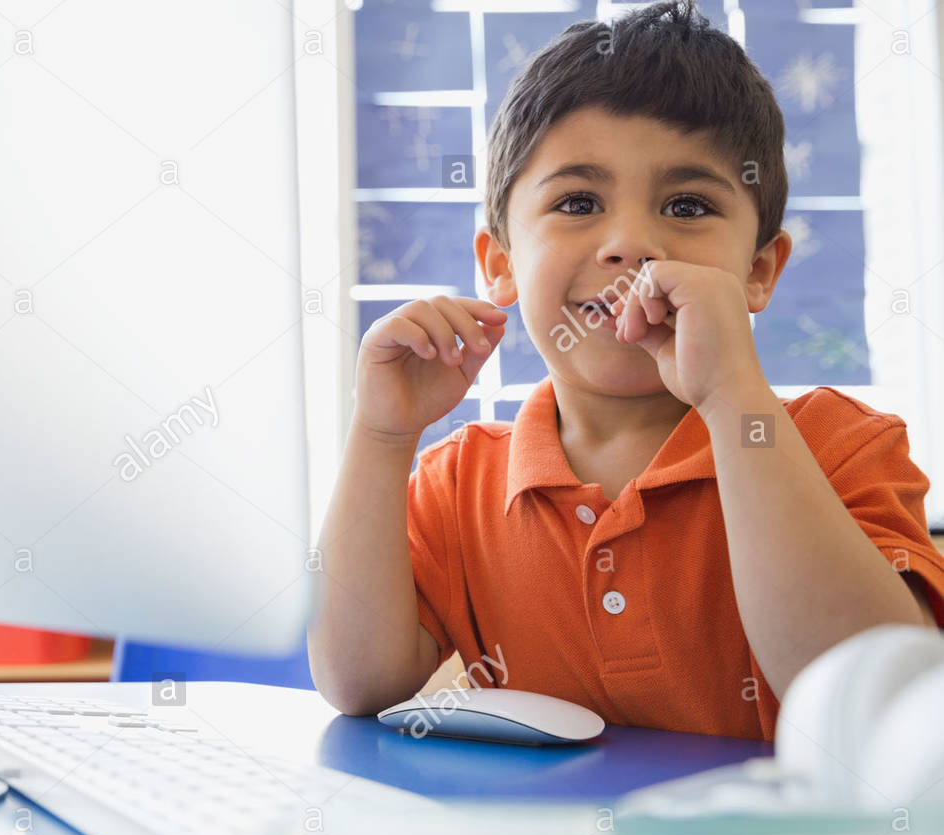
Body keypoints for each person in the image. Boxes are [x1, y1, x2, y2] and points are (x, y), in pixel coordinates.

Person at [307, 0, 944, 740]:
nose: (633, 242)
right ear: (501, 265)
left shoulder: (841, 446)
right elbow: (357, 682)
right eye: (578, 201)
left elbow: (878, 704)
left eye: (687, 204)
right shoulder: (458, 486)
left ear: (759, 272)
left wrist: (733, 397)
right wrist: (382, 437)